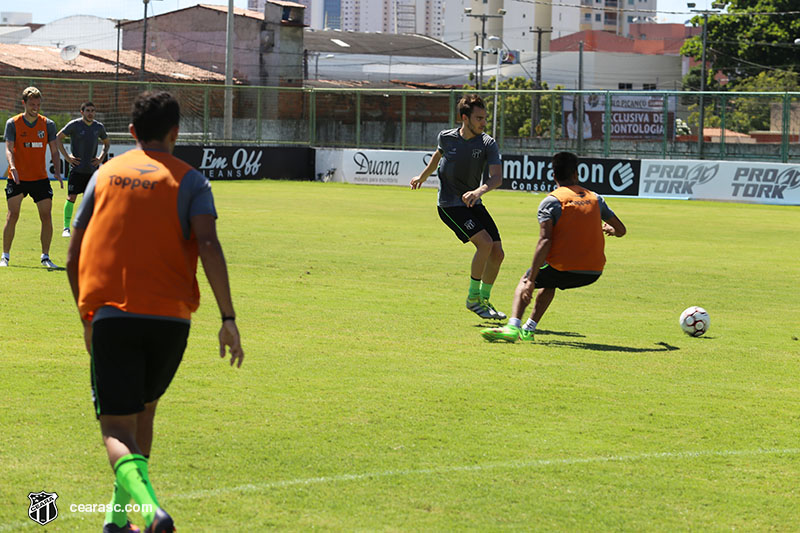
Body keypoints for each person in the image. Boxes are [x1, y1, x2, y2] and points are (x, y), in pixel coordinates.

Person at [65, 91, 244, 533]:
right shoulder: (192, 181)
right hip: (171, 322)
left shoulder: (105, 175)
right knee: (143, 415)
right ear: (175, 132)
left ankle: (150, 511)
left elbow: (74, 255)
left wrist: (86, 316)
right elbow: (208, 245)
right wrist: (227, 318)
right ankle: (115, 518)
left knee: (115, 430)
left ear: (130, 133)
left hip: (113, 315)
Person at [481, 151, 626, 343]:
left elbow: (545, 241)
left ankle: (513, 327)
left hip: (563, 267)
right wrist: (610, 230)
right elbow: (621, 230)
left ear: (554, 176)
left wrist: (531, 280)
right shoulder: (596, 199)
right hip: (593, 271)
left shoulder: (552, 201)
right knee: (549, 281)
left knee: (527, 278)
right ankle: (528, 329)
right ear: (576, 174)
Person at [410, 94, 506, 320]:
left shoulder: (487, 143)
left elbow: (497, 178)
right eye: (479, 118)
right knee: (485, 243)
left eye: (485, 118)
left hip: (473, 201)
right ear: (465, 118)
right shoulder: (446, 137)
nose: (484, 122)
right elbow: (437, 156)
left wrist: (479, 191)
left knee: (498, 253)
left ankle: (483, 299)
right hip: (450, 205)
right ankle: (473, 299)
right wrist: (423, 177)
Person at [2, 86, 63, 268]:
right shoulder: (13, 123)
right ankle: (5, 256)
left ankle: (45, 257)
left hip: (40, 179)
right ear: (24, 104)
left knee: (46, 216)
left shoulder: (48, 124)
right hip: (18, 178)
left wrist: (58, 172)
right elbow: (9, 149)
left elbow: (54, 150)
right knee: (12, 215)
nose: (35, 107)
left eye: (38, 104)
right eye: (32, 104)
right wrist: (12, 167)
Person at [55, 101, 110, 238]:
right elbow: (58, 138)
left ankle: (91, 227)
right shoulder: (75, 125)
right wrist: (67, 157)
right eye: (88, 111)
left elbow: (106, 143)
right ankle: (66, 227)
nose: (90, 113)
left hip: (92, 171)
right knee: (71, 197)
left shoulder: (99, 127)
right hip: (76, 169)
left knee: (91, 200)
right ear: (82, 112)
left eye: (93, 111)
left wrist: (101, 157)